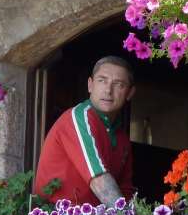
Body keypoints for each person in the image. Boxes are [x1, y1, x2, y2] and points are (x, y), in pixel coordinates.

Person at [34, 56, 136, 207]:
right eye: (102, 80)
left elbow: (125, 191)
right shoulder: (79, 117)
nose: (108, 90)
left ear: (130, 93)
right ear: (90, 85)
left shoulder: (121, 137)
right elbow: (99, 181)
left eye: (118, 84)